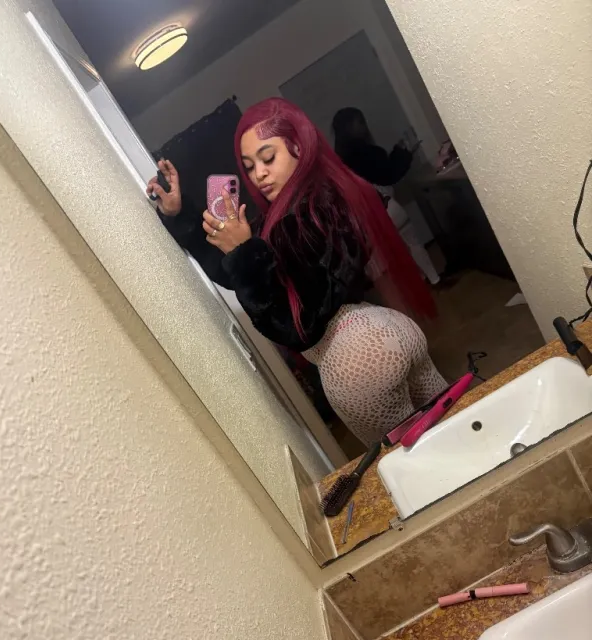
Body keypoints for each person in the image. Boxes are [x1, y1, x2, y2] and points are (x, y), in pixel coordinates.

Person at [148, 98, 447, 445]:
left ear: (298, 147)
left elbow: (299, 326)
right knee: (457, 431)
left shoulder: (311, 212)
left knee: (416, 463)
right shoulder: (306, 204)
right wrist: (182, 216)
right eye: (249, 166)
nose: (258, 174)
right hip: (385, 331)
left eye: (268, 158)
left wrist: (245, 254)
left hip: (355, 358)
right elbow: (234, 274)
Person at [332, 107, 442, 287]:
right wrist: (403, 154)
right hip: (386, 205)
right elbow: (389, 175)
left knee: (398, 250)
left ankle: (421, 281)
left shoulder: (341, 162)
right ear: (351, 127)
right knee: (412, 242)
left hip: (367, 215)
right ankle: (435, 279)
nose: (365, 126)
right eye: (360, 122)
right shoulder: (367, 152)